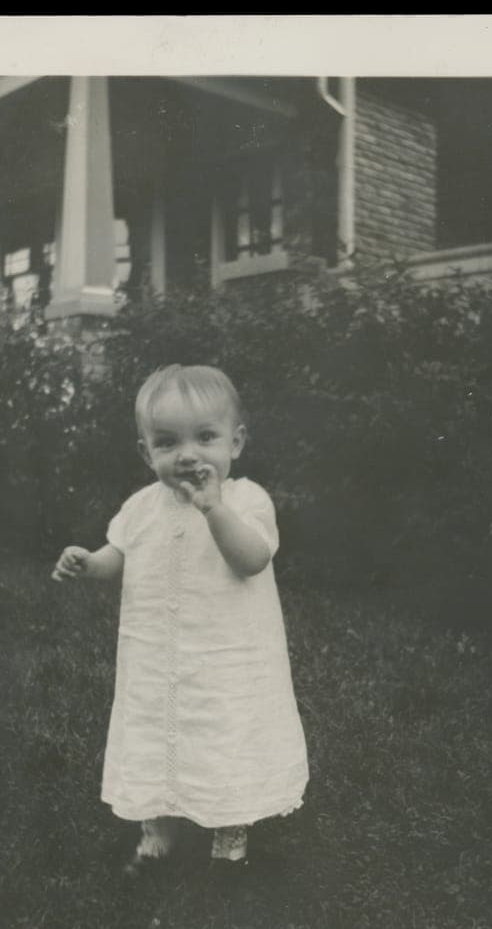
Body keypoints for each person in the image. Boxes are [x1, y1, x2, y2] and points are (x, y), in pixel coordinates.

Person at [52, 364, 309, 875]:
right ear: (147, 453)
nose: (188, 454)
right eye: (168, 443)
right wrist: (88, 562)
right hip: (157, 655)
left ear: (235, 444)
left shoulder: (245, 501)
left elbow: (252, 558)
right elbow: (118, 555)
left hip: (227, 658)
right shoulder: (142, 507)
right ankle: (158, 828)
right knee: (155, 730)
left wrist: (214, 509)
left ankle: (228, 833)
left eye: (205, 438)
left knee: (224, 732)